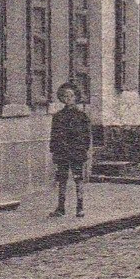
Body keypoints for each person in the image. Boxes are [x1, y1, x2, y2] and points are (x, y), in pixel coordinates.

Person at [49, 82, 90, 218]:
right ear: (62, 98)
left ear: (76, 97)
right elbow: (54, 135)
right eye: (65, 96)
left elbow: (86, 136)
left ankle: (80, 207)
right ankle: (61, 208)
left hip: (77, 152)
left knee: (78, 179)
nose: (68, 98)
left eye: (71, 95)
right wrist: (54, 150)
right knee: (62, 179)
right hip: (62, 153)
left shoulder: (82, 116)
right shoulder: (58, 116)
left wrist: (83, 150)